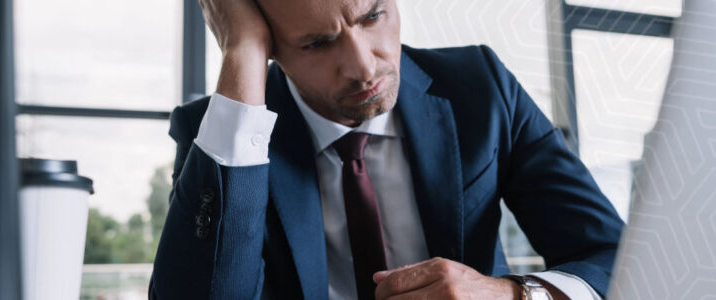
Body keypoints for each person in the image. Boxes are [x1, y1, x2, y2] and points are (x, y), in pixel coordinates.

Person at [150, 0, 624, 299]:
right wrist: (241, 52)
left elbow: (614, 256)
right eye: (317, 43)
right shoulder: (220, 132)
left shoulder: (481, 88)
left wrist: (513, 296)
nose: (363, 66)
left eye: (373, 15)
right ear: (272, 47)